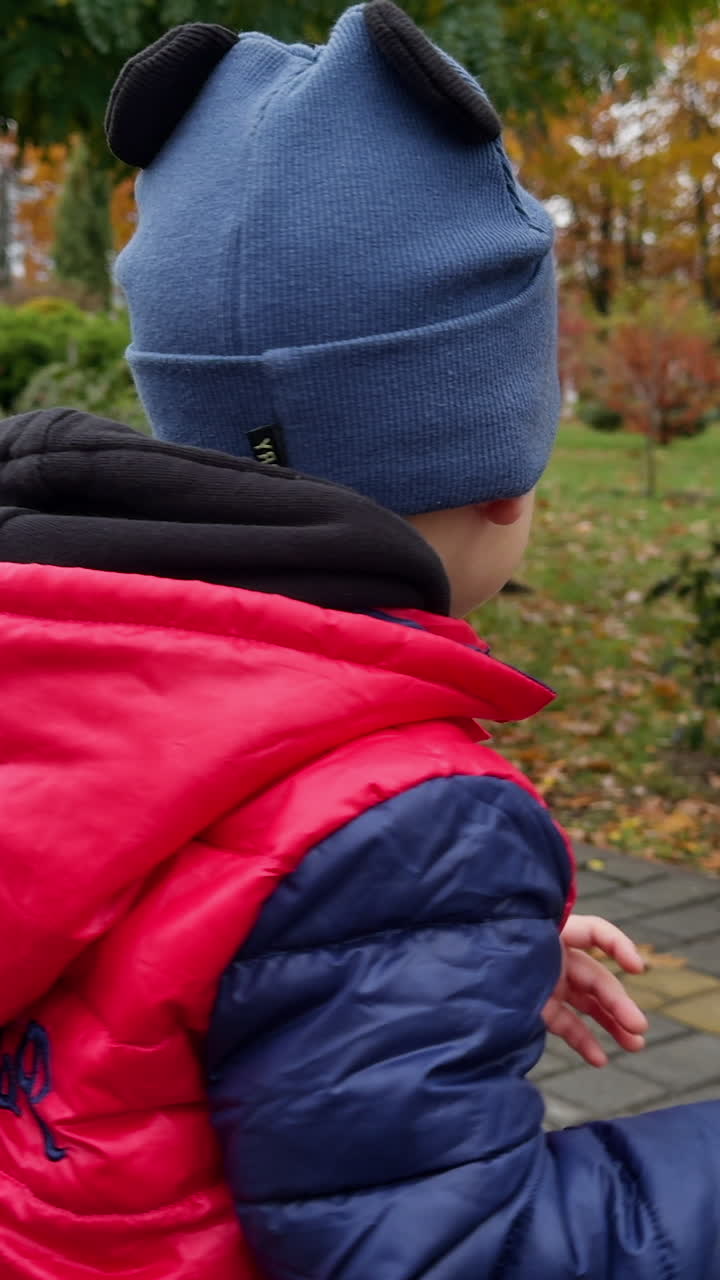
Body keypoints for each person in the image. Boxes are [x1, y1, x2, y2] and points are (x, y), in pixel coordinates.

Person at [1, 4, 719, 1278]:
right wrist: (397, 910)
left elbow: (143, 942)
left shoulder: (67, 660)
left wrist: (398, 965)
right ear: (503, 472)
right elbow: (453, 1254)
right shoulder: (402, 823)